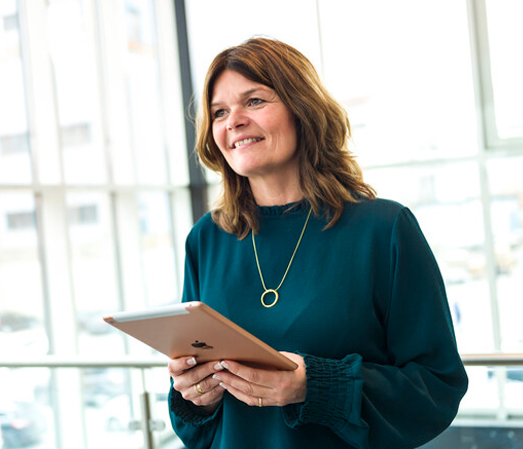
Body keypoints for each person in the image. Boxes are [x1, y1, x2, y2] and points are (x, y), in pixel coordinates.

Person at [167, 37, 468, 449]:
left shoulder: (384, 228)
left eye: (254, 101)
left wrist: (315, 386)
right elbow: (196, 427)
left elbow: (437, 388)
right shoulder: (207, 238)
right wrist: (195, 396)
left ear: (301, 110)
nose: (233, 120)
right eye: (219, 111)